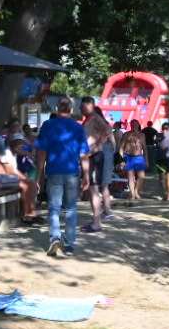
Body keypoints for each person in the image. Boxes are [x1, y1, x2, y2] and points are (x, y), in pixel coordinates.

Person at [34, 97, 88, 258]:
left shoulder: (48, 125)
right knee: (71, 208)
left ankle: (55, 237)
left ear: (57, 108)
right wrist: (87, 175)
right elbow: (84, 154)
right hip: (72, 172)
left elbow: (41, 153)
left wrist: (39, 176)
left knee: (54, 208)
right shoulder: (78, 128)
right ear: (71, 109)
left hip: (54, 171)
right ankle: (70, 244)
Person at [79, 97, 115, 230]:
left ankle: (96, 223)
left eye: (83, 107)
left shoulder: (95, 117)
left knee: (94, 189)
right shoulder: (87, 119)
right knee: (91, 189)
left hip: (95, 156)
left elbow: (108, 130)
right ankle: (95, 220)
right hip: (88, 157)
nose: (81, 109)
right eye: (80, 107)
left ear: (90, 105)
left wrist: (97, 144)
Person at [121, 119, 148, 201]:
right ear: (130, 125)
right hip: (128, 157)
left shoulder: (142, 135)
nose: (134, 125)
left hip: (139, 157)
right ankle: (132, 194)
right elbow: (121, 148)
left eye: (135, 124)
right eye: (132, 124)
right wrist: (122, 160)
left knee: (141, 176)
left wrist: (147, 160)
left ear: (138, 125)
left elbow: (145, 148)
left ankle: (136, 192)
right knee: (130, 177)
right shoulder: (126, 134)